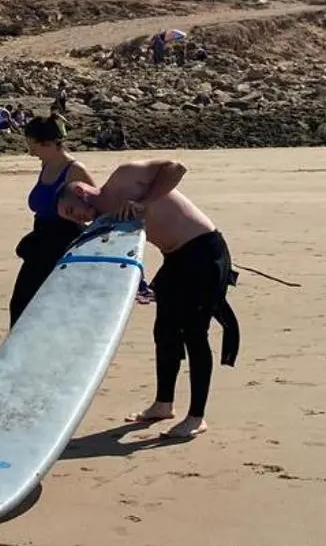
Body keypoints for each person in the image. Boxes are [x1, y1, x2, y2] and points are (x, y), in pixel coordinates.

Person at [59, 158, 238, 439]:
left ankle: (196, 417)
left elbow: (177, 167)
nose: (77, 219)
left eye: (72, 211)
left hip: (204, 251)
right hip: (175, 259)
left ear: (81, 192)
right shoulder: (107, 220)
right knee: (165, 332)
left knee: (194, 334)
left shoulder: (124, 178)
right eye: (71, 218)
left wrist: (144, 201)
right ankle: (163, 404)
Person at [9, 116, 94, 325]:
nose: (31, 152)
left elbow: (96, 207)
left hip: (63, 245)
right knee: (21, 304)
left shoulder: (75, 170)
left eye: (33, 146)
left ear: (49, 144)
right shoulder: (46, 166)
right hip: (40, 244)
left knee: (52, 307)